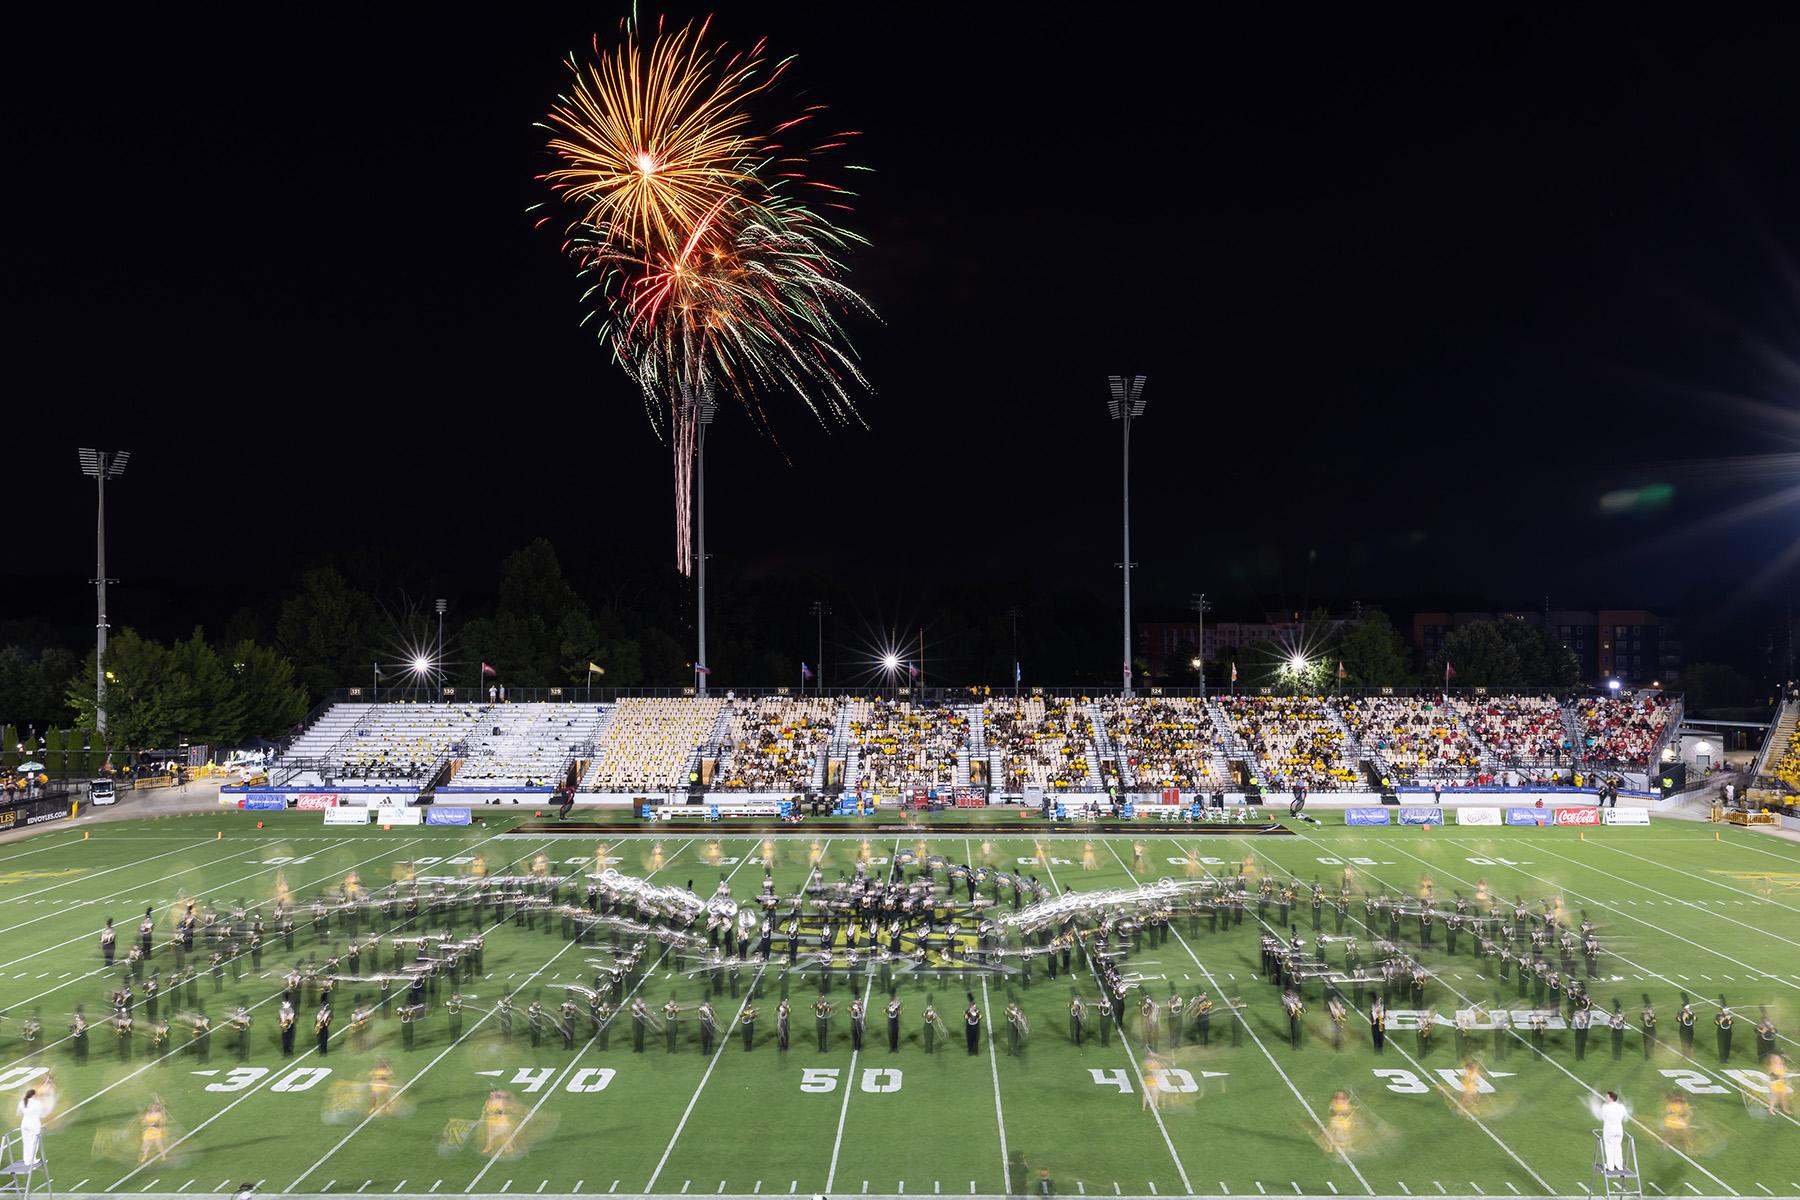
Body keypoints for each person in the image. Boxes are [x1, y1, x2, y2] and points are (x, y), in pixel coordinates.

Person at [1598, 1090, 1628, 1174]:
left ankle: (1610, 1166)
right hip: (1619, 1129)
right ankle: (1619, 1165)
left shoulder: (1605, 1107)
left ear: (1611, 1098)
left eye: (1607, 1097)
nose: (1606, 1098)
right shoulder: (1621, 1107)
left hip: (1609, 1129)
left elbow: (1602, 1117)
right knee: (1618, 1147)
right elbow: (1624, 1117)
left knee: (1609, 1147)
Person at [16, 1087, 43, 1166]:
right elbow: (41, 1114)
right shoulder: (37, 1103)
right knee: (34, 1142)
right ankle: (32, 1160)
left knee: (26, 1142)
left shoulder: (22, 1102)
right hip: (34, 1124)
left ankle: (26, 1160)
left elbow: (19, 1113)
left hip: (24, 1123)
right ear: (33, 1095)